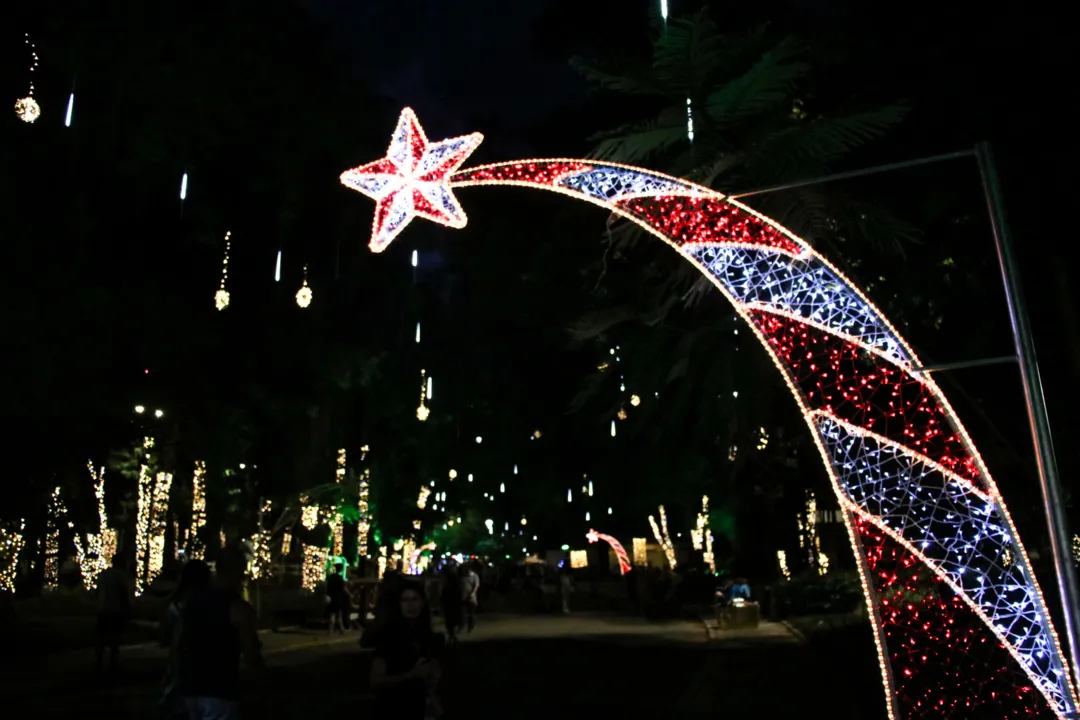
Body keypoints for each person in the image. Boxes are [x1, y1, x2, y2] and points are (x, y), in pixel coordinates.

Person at [180, 546, 265, 720]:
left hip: (190, 689)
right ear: (238, 571)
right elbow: (251, 653)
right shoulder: (237, 608)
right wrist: (259, 686)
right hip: (220, 691)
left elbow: (180, 641)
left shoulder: (193, 601)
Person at [370, 581, 444, 720]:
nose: (410, 605)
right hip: (392, 708)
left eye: (415, 599)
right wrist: (411, 675)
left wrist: (435, 675)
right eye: (405, 600)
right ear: (398, 604)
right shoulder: (388, 638)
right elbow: (376, 680)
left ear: (422, 603)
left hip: (421, 708)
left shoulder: (432, 638)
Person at [159, 560, 211, 719]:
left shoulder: (176, 601)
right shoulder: (204, 601)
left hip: (181, 655)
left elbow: (166, 632)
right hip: (198, 656)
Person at [95, 554, 132, 676]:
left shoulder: (103, 574)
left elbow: (98, 591)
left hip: (102, 609)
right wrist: (127, 608)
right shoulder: (122, 575)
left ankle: (99, 662)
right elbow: (124, 593)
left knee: (101, 637)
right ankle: (112, 664)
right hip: (116, 609)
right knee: (114, 638)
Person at [439, 564, 463, 644]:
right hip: (451, 603)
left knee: (450, 621)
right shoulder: (453, 582)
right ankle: (452, 635)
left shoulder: (450, 583)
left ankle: (452, 635)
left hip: (451, 603)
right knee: (451, 620)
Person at [326, 563, 350, 635]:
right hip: (338, 598)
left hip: (331, 597)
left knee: (332, 614)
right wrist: (349, 594)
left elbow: (327, 586)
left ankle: (330, 630)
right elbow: (343, 588)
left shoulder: (331, 577)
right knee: (338, 614)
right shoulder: (340, 578)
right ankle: (341, 630)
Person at [460, 563, 480, 633]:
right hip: (463, 596)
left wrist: (473, 593)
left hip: (471, 597)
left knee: (471, 613)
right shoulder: (461, 576)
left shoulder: (474, 576)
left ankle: (470, 626)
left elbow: (476, 585)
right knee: (462, 612)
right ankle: (462, 626)